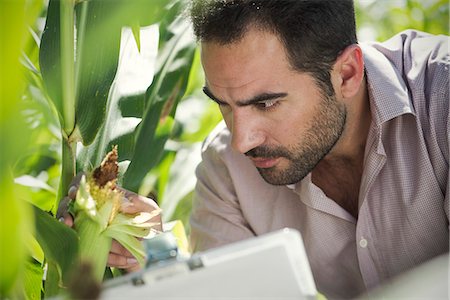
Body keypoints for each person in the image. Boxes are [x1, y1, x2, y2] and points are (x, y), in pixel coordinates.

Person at [187, 0, 449, 298]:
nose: (242, 141)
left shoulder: (443, 97)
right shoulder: (226, 168)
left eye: (266, 103)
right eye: (223, 104)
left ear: (347, 74)